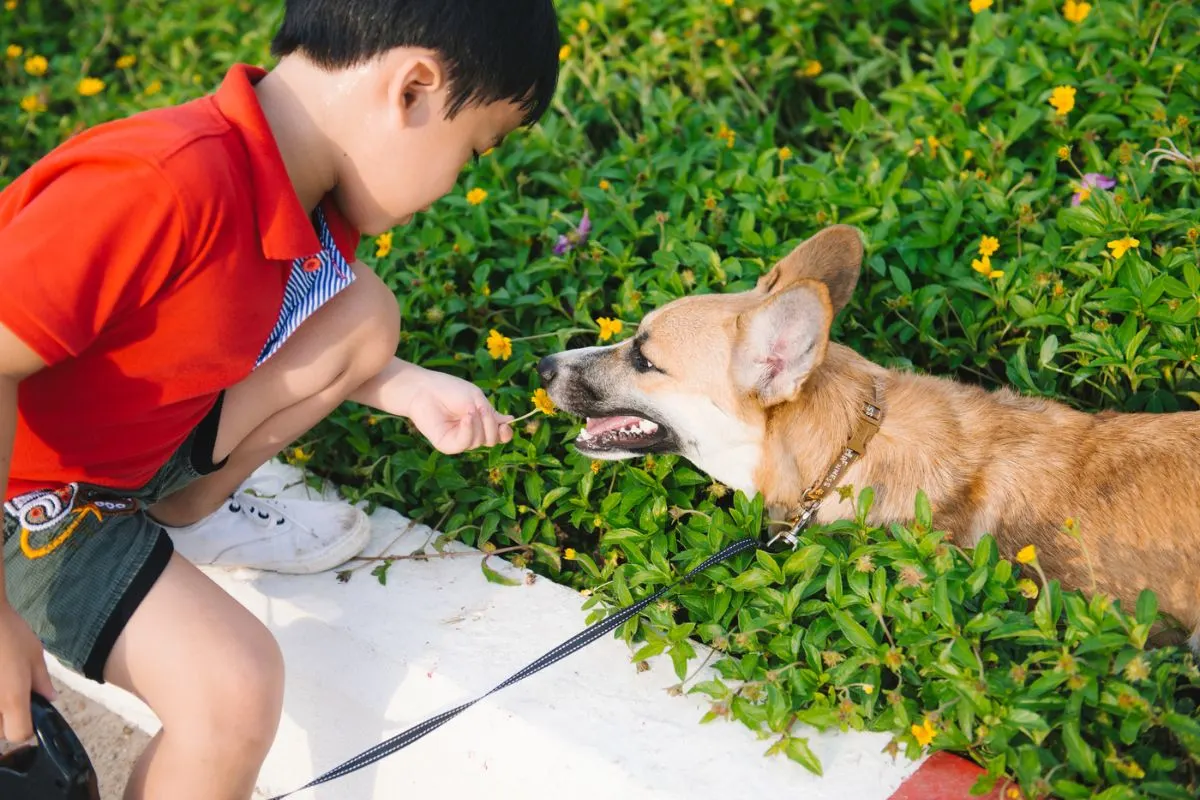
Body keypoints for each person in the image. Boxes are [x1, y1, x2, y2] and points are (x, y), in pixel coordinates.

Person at [0, 0, 561, 797]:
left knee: (365, 311)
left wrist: (401, 385)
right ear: (414, 89)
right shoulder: (164, 182)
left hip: (129, 466)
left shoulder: (306, 202)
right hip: (29, 501)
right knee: (232, 689)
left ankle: (183, 514)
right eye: (472, 152)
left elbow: (233, 333)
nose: (455, 183)